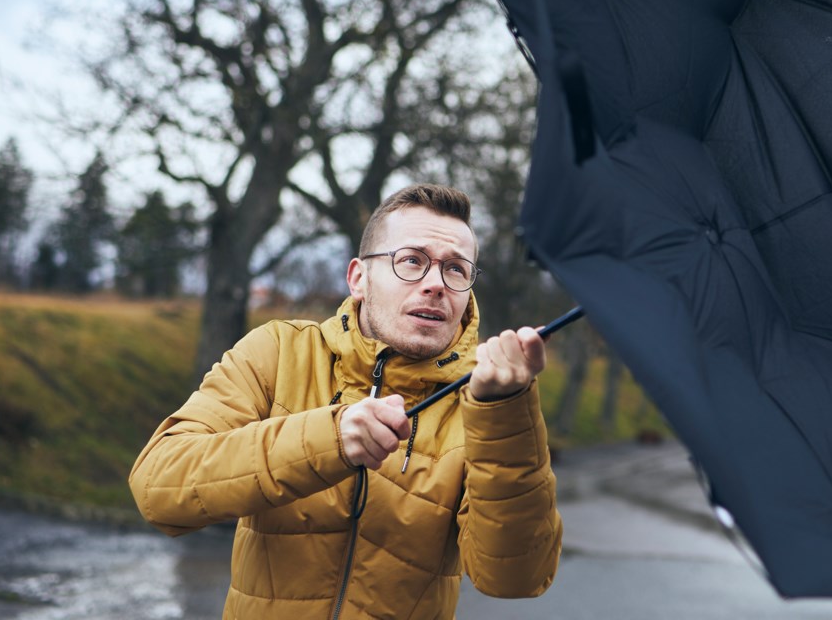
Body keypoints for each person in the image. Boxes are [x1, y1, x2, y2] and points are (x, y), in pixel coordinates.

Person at [129, 184, 562, 619]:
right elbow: (159, 487)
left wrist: (506, 415)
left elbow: (516, 578)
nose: (435, 284)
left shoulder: (485, 404)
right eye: (412, 261)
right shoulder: (280, 352)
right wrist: (330, 438)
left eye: (455, 269)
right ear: (359, 278)